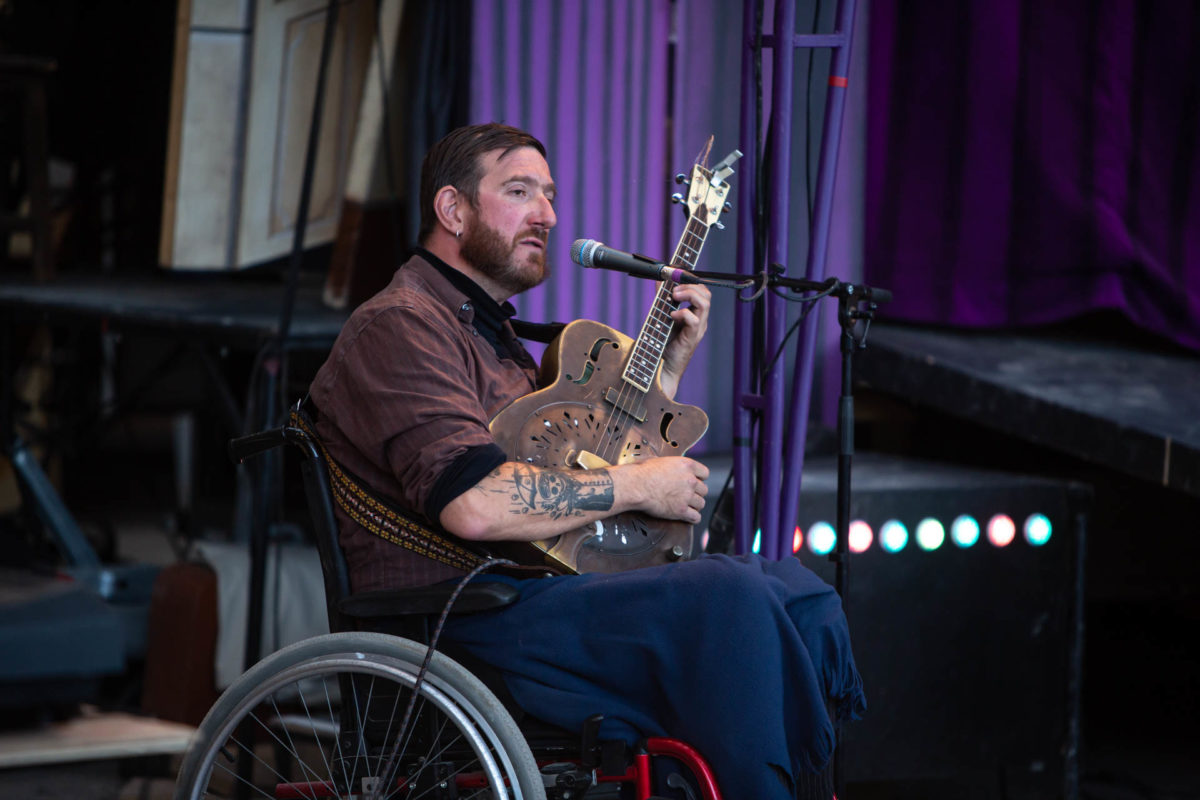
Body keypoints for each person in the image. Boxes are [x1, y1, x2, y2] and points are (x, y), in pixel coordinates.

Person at [309, 122, 864, 799]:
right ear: (452, 209)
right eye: (520, 191)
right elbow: (474, 505)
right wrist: (638, 485)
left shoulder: (493, 334)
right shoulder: (403, 325)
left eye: (549, 194)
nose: (546, 214)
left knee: (803, 596)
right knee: (733, 599)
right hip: (463, 618)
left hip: (541, 595)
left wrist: (667, 373)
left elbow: (583, 464)